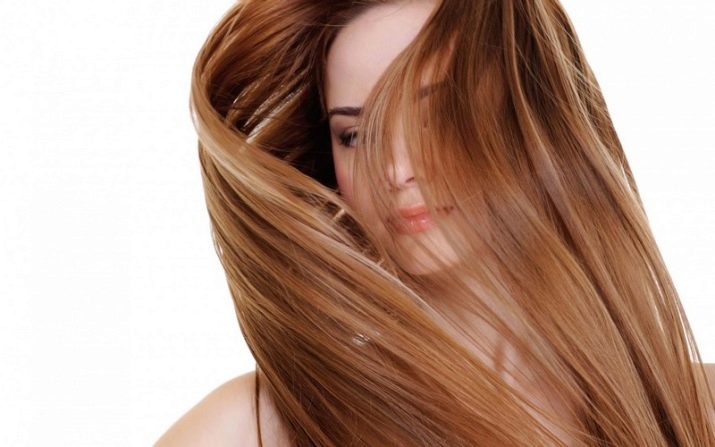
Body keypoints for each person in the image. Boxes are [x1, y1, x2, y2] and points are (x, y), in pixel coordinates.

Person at [156, 0, 715, 445]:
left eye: (435, 115)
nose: (395, 169)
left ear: (531, 117)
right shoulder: (252, 430)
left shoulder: (695, 410)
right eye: (356, 134)